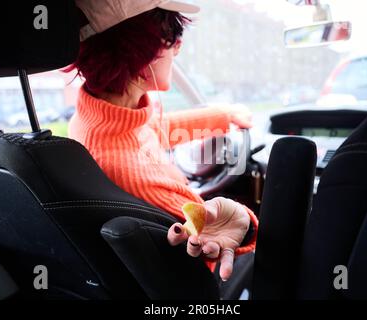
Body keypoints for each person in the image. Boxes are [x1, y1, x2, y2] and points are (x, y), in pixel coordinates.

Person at [67, 0, 258, 281]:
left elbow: (154, 128)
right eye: (172, 39)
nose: (178, 48)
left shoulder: (94, 119)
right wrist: (250, 224)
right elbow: (217, 234)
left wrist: (224, 115)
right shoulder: (132, 171)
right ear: (141, 54)